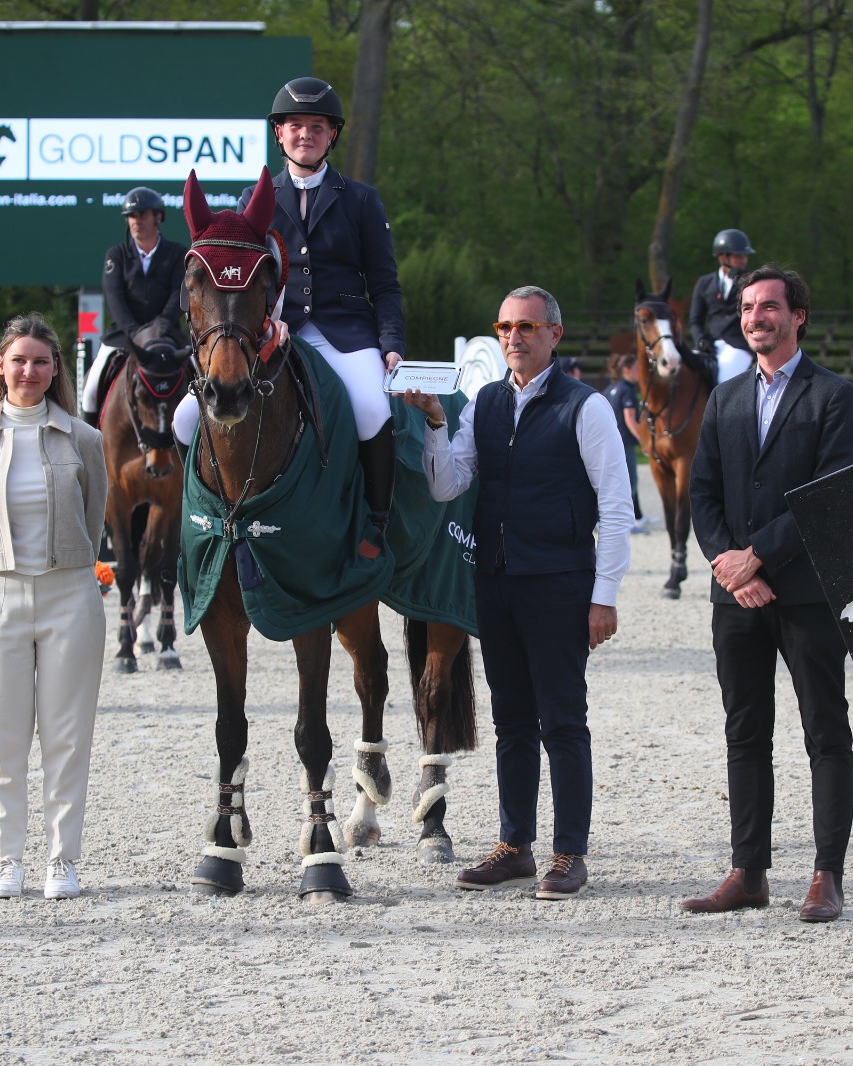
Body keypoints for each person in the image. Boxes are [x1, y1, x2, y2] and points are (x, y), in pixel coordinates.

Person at [403, 285, 633, 901]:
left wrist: (604, 595)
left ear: (554, 334)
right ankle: (515, 846)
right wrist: (434, 422)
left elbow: (616, 507)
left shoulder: (586, 407)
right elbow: (448, 485)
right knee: (510, 720)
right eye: (505, 326)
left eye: (527, 326)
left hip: (559, 582)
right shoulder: (485, 402)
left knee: (563, 720)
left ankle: (570, 853)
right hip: (496, 580)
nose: (513, 336)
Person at [681, 265, 853, 923]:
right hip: (736, 599)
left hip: (808, 595)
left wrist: (757, 555)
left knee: (825, 733)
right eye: (748, 308)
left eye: (768, 307)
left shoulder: (833, 396)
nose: (755, 317)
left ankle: (826, 875)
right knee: (745, 734)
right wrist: (731, 568)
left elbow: (831, 494)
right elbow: (702, 494)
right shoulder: (725, 398)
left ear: (797, 316)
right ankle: (747, 872)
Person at [174, 77, 403, 529]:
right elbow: (242, 282)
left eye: (317, 126)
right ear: (279, 133)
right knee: (183, 420)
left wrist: (391, 343)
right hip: (277, 332)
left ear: (332, 134)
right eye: (295, 125)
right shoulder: (254, 200)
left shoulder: (362, 200)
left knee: (371, 410)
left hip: (346, 333)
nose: (305, 134)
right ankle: (204, 515)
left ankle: (377, 521)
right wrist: (265, 322)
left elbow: (385, 285)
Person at [0, 314, 108, 901]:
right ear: (1, 365)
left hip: (70, 593)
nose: (29, 371)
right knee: (3, 737)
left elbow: (93, 519)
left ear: (55, 368)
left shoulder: (84, 440)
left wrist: (71, 564)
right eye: (19, 359)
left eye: (40, 361)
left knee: (67, 737)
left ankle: (62, 859)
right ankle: (7, 859)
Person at [80, 186, 190, 427]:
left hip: (167, 334)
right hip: (124, 335)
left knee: (202, 376)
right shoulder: (116, 255)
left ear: (158, 217)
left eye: (142, 214)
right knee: (89, 391)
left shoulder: (177, 254)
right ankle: (87, 443)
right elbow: (114, 298)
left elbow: (179, 295)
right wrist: (134, 332)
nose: (136, 221)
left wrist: (161, 325)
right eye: (131, 216)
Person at [689, 228, 757, 393]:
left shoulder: (751, 282)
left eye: (744, 256)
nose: (743, 260)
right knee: (685, 374)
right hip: (710, 344)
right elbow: (695, 320)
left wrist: (740, 281)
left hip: (739, 344)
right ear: (722, 257)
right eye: (738, 256)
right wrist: (700, 339)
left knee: (723, 383)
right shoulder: (704, 283)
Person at [602, 353, 646, 530]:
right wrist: (644, 440)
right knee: (629, 484)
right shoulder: (628, 390)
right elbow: (630, 420)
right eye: (637, 368)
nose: (639, 372)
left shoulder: (610, 389)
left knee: (612, 485)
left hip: (609, 443)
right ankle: (626, 523)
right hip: (624, 444)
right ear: (627, 369)